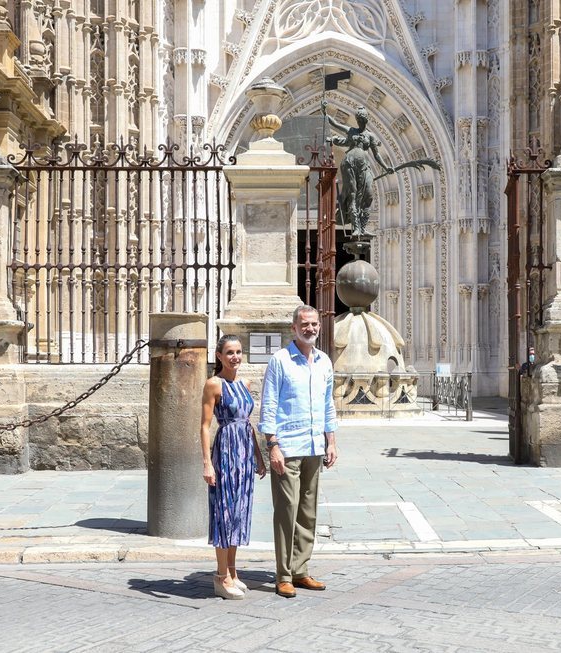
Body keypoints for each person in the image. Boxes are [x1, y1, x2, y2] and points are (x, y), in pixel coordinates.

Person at [259, 305, 338, 598]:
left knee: (308, 511)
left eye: (315, 324)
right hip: (288, 447)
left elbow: (328, 404)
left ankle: (301, 569)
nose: (310, 329)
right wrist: (272, 445)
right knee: (286, 512)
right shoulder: (280, 361)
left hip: (315, 446)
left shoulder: (324, 362)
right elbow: (268, 404)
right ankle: (283, 574)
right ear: (293, 328)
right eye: (304, 324)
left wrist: (331, 441)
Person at [200, 334, 266, 600]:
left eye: (238, 352)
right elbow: (204, 426)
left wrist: (259, 456)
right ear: (219, 356)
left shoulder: (245, 383)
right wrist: (207, 464)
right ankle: (220, 576)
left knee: (239, 512)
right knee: (224, 512)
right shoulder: (213, 384)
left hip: (245, 452)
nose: (235, 357)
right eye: (229, 352)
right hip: (225, 451)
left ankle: (233, 572)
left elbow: (247, 423)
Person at [322, 100, 394, 237]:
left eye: (362, 120)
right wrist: (325, 112)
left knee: (368, 195)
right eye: (359, 119)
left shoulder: (370, 136)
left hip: (364, 167)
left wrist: (386, 167)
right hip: (349, 163)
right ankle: (356, 228)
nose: (360, 122)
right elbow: (335, 124)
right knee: (353, 195)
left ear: (366, 120)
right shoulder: (351, 130)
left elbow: (376, 154)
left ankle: (362, 227)